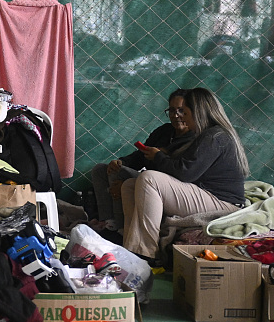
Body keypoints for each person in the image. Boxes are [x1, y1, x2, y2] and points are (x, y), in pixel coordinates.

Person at [121, 87, 249, 260]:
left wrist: (158, 156)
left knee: (149, 178)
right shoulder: (208, 134)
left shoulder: (215, 136)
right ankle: (130, 249)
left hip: (223, 204)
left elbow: (184, 173)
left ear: (198, 113)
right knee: (130, 185)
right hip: (206, 196)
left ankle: (146, 254)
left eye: (185, 113)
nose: (183, 119)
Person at [90, 89, 196, 230]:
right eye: (171, 110)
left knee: (119, 176)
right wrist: (122, 162)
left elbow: (179, 173)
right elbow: (141, 155)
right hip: (146, 177)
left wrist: (159, 157)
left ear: (191, 112)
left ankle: (119, 227)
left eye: (181, 111)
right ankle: (107, 221)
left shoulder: (195, 138)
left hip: (165, 185)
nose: (176, 115)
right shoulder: (164, 131)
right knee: (102, 170)